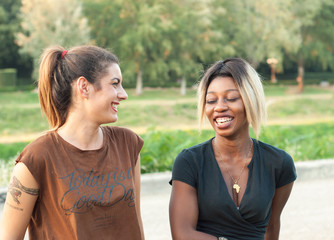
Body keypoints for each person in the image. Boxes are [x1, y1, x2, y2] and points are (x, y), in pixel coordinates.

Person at [0, 45, 145, 239]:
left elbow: (136, 222)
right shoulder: (37, 158)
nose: (123, 94)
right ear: (84, 86)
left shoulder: (128, 144)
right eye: (115, 83)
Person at [169, 58, 297, 240]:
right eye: (211, 100)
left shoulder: (278, 163)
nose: (219, 107)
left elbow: (272, 228)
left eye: (231, 98)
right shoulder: (190, 162)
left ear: (250, 100)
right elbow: (182, 235)